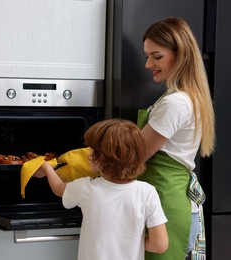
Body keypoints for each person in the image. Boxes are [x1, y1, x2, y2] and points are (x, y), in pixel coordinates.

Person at [34, 119, 169, 260]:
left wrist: (47, 168)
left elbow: (58, 188)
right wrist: (130, 242)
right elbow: (159, 245)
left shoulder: (86, 188)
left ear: (99, 159)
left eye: (92, 150)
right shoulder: (147, 193)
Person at [138, 17, 215, 260]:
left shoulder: (175, 103)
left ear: (180, 54)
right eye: (147, 56)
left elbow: (132, 157)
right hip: (167, 202)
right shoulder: (183, 97)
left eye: (156, 56)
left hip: (167, 207)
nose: (149, 63)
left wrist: (74, 168)